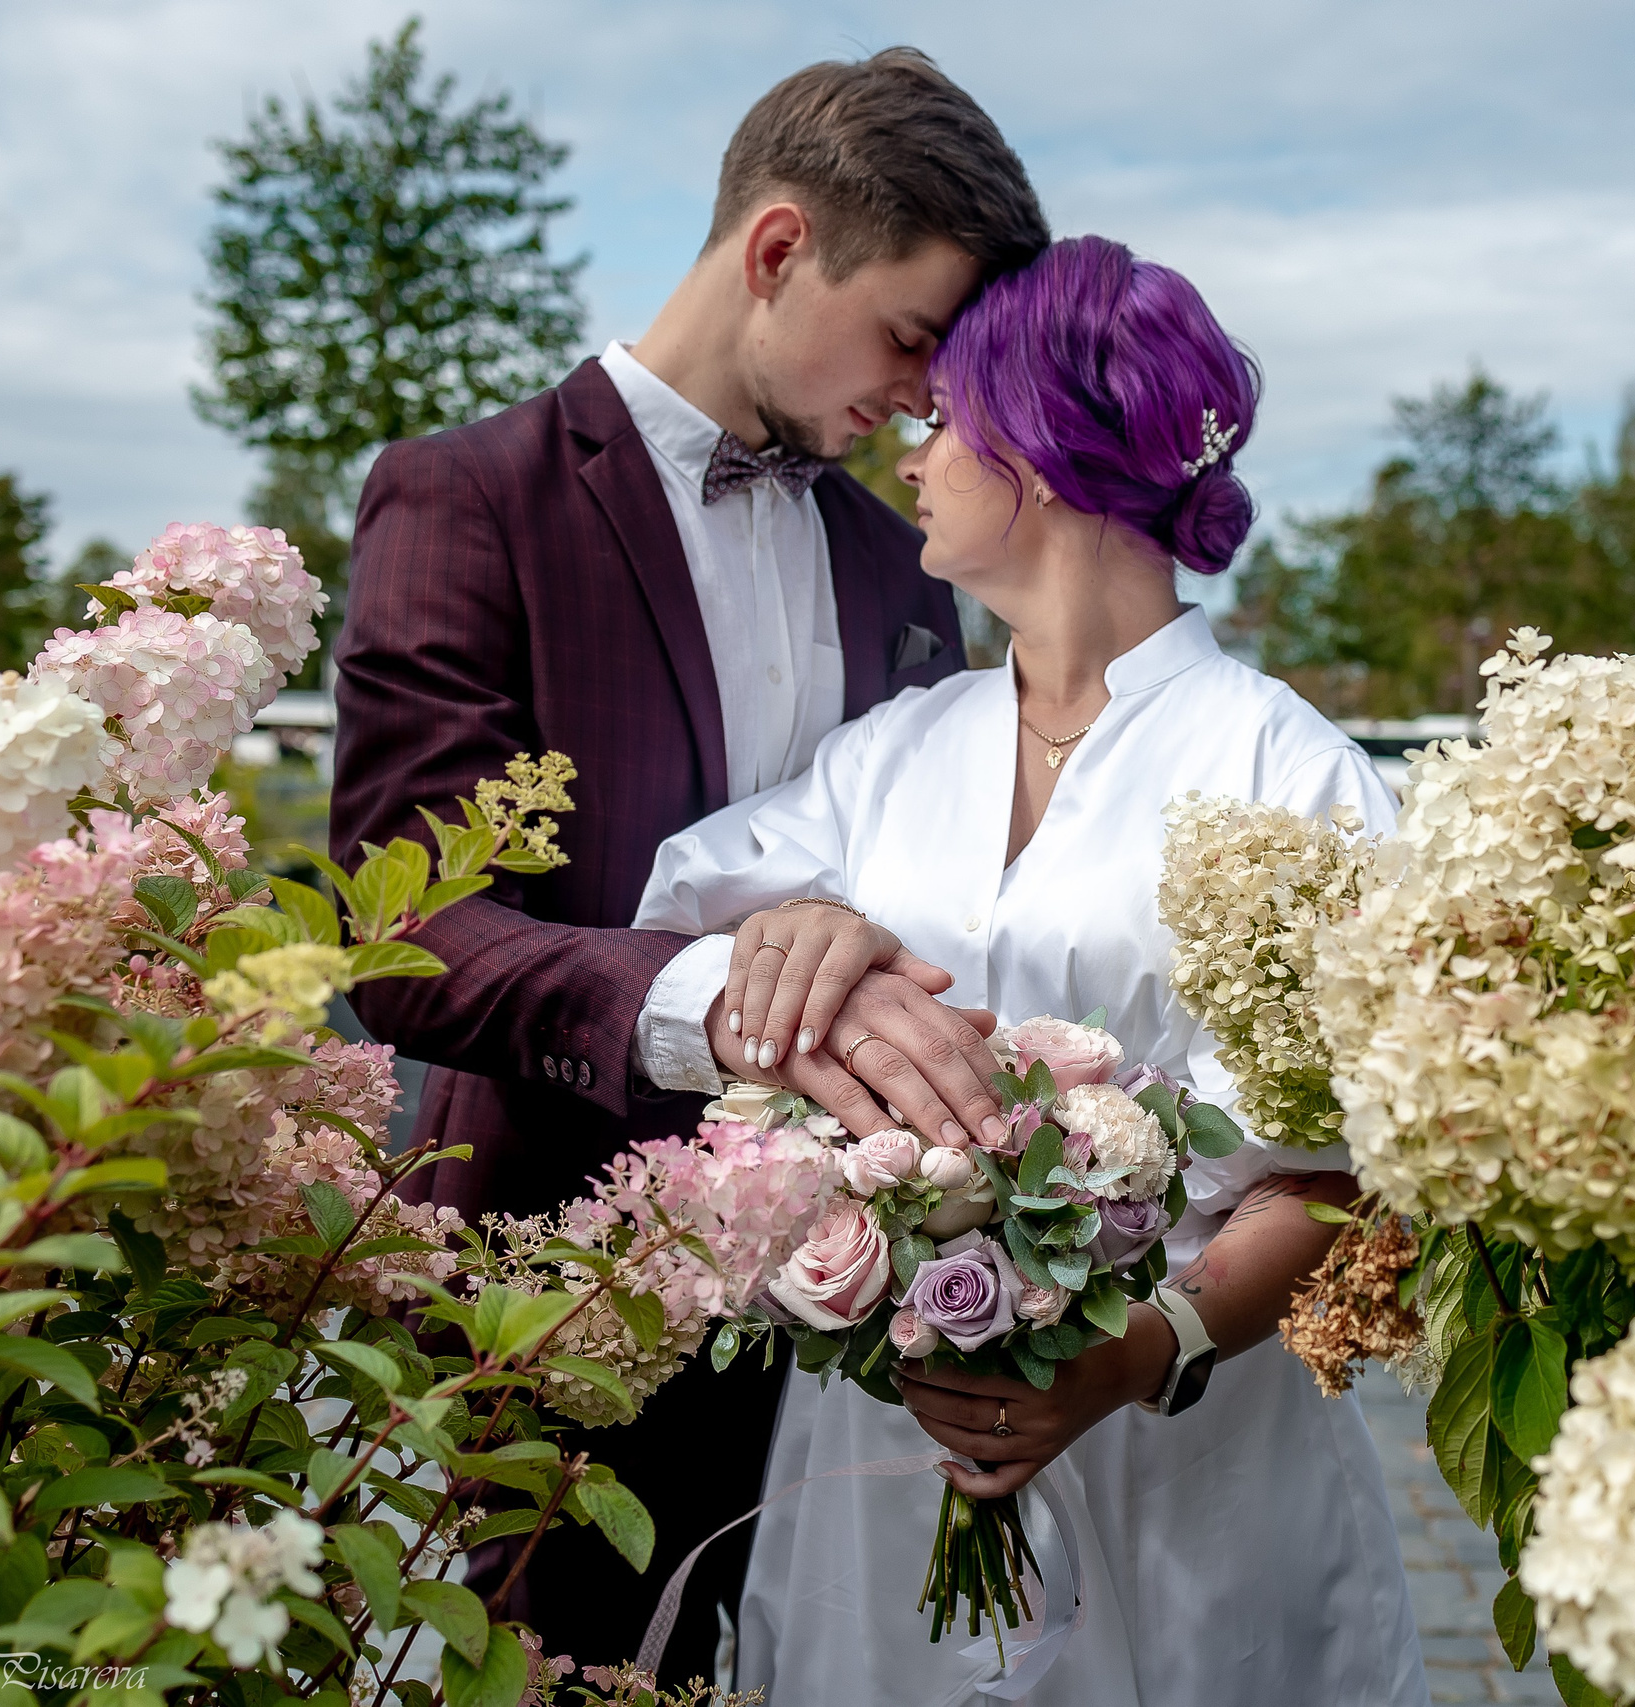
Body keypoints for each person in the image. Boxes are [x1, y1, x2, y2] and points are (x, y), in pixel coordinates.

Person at [328, 49, 1048, 1680]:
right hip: (552, 1277)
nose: (930, 402)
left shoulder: (900, 557)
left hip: (864, 1307)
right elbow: (403, 934)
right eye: (916, 337)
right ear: (781, 248)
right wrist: (717, 999)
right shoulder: (470, 495)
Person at [636, 237, 1428, 1705]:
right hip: (881, 1465)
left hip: (1182, 1454)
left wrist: (1138, 1351)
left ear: (1047, 452)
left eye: (946, 422)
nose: (914, 456)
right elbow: (675, 913)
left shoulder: (1289, 776)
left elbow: (1348, 1168)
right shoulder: (893, 752)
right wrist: (782, 938)